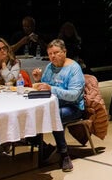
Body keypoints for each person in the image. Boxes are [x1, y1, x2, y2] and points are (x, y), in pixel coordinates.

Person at [32, 39, 85, 172]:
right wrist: (39, 80)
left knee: (55, 117)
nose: (53, 56)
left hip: (73, 107)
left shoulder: (74, 69)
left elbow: (73, 95)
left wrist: (51, 89)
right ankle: (44, 146)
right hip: (54, 105)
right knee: (30, 115)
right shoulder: (50, 67)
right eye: (50, 54)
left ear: (64, 52)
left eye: (56, 53)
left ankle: (64, 154)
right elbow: (46, 85)